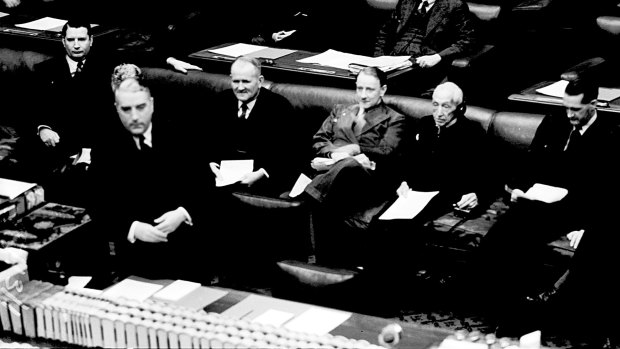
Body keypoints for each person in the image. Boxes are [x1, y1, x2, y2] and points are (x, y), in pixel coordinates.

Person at [470, 78, 620, 339]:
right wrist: (516, 188)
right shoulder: (554, 122)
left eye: (576, 109)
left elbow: (608, 189)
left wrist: (589, 225)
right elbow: (531, 163)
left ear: (593, 105)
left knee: (525, 243)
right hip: (537, 201)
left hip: (575, 208)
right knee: (499, 239)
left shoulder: (610, 135)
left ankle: (522, 318)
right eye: (566, 108)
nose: (570, 114)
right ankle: (499, 310)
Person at [88, 78, 214, 284]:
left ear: (152, 104)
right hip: (136, 258)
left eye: (141, 107)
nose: (135, 116)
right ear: (116, 108)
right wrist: (133, 228)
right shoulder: (105, 147)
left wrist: (182, 214)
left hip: (186, 251)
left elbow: (206, 185)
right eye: (126, 109)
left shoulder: (182, 134)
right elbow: (98, 202)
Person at [303, 66, 406, 268]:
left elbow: (386, 151)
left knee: (350, 164)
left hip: (366, 181)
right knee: (346, 163)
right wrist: (336, 154)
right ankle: (321, 261)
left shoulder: (395, 119)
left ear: (383, 90)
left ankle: (308, 196)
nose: (363, 95)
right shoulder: (340, 110)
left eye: (370, 90)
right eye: (359, 89)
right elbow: (318, 140)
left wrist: (354, 149)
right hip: (333, 173)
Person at [26, 19, 114, 204]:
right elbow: (31, 108)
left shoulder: (107, 71)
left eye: (81, 39)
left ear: (91, 40)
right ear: (63, 41)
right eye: (71, 39)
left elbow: (109, 116)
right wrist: (43, 128)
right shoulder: (45, 70)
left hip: (94, 146)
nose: (76, 45)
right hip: (56, 145)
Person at [209, 56, 300, 195]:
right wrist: (210, 163)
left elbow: (291, 152)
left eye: (246, 81)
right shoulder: (219, 101)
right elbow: (203, 140)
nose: (240, 87)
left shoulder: (279, 107)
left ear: (260, 81)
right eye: (235, 81)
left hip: (263, 180)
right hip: (220, 178)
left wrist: (262, 172)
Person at [373, 0, 478, 95]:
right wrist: (379, 58)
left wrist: (437, 57)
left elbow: (467, 40)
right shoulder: (406, 1)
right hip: (393, 62)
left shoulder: (454, 5)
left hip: (423, 65)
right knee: (368, 79)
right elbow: (384, 32)